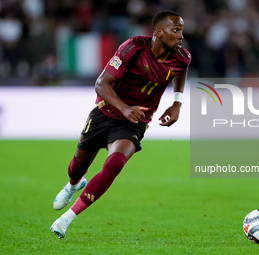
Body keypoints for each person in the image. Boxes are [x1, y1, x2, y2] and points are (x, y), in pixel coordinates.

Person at [50, 10, 191, 239]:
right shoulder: (133, 48)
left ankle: (66, 219)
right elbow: (101, 84)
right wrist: (124, 108)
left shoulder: (182, 57)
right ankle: (73, 184)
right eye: (176, 30)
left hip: (136, 121)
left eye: (181, 31)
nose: (180, 35)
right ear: (158, 32)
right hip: (106, 111)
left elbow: (181, 71)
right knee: (77, 166)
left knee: (115, 163)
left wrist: (177, 103)